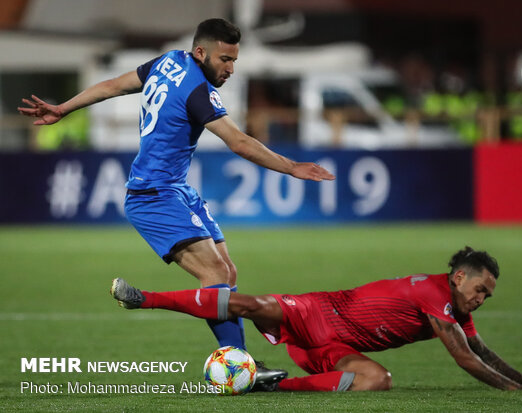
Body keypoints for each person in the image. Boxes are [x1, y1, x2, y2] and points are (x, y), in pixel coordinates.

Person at [18, 18, 334, 385]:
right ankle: (238, 365)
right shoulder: (199, 90)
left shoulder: (168, 61)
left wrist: (64, 108)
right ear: (201, 52)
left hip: (175, 189)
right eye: (224, 59)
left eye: (234, 60)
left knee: (227, 274)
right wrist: (291, 166)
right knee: (214, 274)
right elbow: (239, 142)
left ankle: (242, 363)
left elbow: (112, 86)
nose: (230, 69)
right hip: (153, 195)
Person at [110, 246, 522, 392]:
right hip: (315, 312)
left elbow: (480, 350)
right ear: (459, 276)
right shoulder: (435, 295)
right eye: (481, 289)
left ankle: (266, 385)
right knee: (247, 303)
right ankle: (142, 298)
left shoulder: (454, 308)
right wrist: (515, 393)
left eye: (487, 294)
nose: (483, 298)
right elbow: (466, 361)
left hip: (333, 349)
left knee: (377, 380)